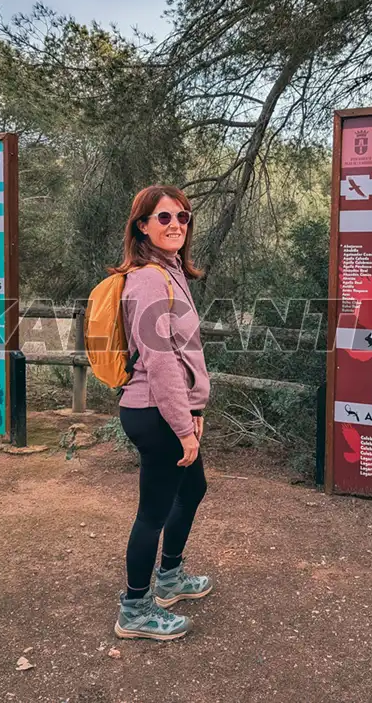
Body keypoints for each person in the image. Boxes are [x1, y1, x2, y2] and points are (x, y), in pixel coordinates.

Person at [111, 185, 212, 641]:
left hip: (168, 409)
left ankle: (169, 578)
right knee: (153, 511)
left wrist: (196, 408)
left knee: (192, 489)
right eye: (164, 217)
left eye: (183, 217)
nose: (176, 225)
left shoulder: (171, 272)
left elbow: (184, 352)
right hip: (155, 412)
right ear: (142, 226)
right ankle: (134, 609)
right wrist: (183, 426)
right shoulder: (149, 278)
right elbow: (161, 360)